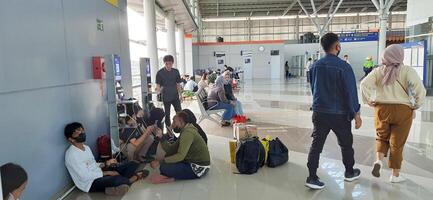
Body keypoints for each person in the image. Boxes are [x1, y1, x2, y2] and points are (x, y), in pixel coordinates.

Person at [360, 44, 426, 183]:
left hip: (382, 109)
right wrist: (416, 105)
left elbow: (364, 84)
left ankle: (378, 161)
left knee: (381, 138)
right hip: (402, 110)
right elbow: (420, 89)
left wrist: (368, 100)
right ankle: (395, 175)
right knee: (397, 144)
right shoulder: (407, 70)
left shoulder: (378, 71)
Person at [306, 32, 362, 190]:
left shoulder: (315, 66)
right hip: (340, 114)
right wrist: (356, 114)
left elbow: (314, 89)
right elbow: (351, 92)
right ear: (337, 47)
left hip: (320, 112)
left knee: (316, 145)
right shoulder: (344, 67)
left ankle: (312, 177)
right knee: (346, 145)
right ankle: (349, 172)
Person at [64, 122, 146, 196]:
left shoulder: (86, 148)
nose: (81, 132)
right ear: (70, 139)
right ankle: (130, 180)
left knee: (133, 163)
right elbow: (84, 176)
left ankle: (117, 185)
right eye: (77, 132)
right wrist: (108, 172)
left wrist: (107, 163)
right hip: (90, 183)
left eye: (81, 130)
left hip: (100, 172)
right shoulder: (72, 154)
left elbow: (94, 164)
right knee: (116, 179)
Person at [149, 112, 210, 184]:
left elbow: (180, 156)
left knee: (164, 167)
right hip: (190, 161)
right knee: (167, 158)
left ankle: (169, 178)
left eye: (174, 122)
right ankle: (171, 176)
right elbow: (171, 150)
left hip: (199, 168)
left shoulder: (187, 133)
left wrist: (159, 162)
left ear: (181, 122)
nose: (172, 124)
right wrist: (161, 137)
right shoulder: (184, 131)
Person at [156, 55, 183, 127]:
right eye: (166, 64)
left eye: (170, 63)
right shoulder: (159, 73)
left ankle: (180, 128)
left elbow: (178, 84)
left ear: (173, 63)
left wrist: (180, 95)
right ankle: (169, 131)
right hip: (165, 97)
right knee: (167, 115)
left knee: (180, 113)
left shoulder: (176, 71)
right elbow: (158, 86)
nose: (168, 65)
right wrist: (159, 96)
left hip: (175, 96)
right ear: (164, 63)